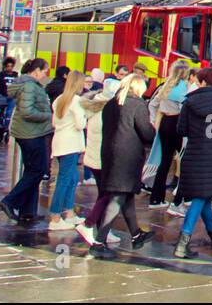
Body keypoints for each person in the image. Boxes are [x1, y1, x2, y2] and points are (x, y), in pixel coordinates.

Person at [87, 72, 156, 258]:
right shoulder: (137, 104)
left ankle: (136, 234)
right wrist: (153, 130)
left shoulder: (111, 104)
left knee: (125, 194)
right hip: (128, 156)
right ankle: (98, 241)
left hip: (110, 153)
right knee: (118, 197)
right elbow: (146, 133)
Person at [174, 65, 212, 259]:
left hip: (195, 153)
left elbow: (181, 129)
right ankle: (182, 243)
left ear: (201, 81)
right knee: (202, 197)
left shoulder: (190, 102)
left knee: (203, 195)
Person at [0, 58, 54, 225]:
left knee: (32, 171)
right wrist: (48, 117)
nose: (45, 75)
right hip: (31, 133)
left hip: (29, 132)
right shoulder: (30, 86)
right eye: (45, 71)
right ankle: (9, 201)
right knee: (38, 170)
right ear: (36, 70)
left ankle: (27, 211)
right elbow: (27, 112)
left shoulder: (29, 85)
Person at [75, 74, 122, 247]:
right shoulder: (108, 108)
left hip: (94, 156)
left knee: (105, 193)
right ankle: (89, 224)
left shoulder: (94, 105)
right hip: (103, 157)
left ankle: (102, 229)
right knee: (108, 194)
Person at [47, 69, 88, 230]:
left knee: (71, 178)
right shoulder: (76, 101)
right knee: (65, 180)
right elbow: (80, 124)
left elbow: (54, 123)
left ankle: (69, 214)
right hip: (71, 144)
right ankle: (55, 217)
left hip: (60, 142)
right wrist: (85, 117)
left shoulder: (59, 100)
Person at [148, 60, 191, 207]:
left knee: (164, 162)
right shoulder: (184, 88)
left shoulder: (166, 85)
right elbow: (184, 108)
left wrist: (155, 121)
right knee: (185, 160)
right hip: (177, 124)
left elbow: (152, 104)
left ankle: (156, 198)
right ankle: (182, 198)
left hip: (165, 122)